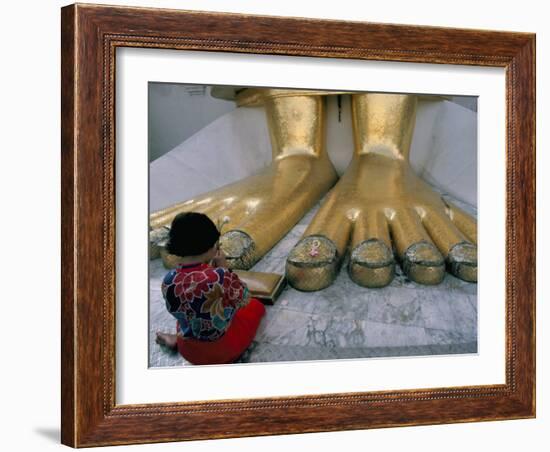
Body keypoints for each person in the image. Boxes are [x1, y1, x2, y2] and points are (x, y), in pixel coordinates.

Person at [155, 212, 266, 365]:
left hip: (190, 352)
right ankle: (178, 340)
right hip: (225, 351)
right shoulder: (219, 275)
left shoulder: (168, 280)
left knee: (191, 311)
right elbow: (244, 297)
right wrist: (224, 269)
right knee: (256, 306)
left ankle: (177, 340)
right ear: (211, 244)